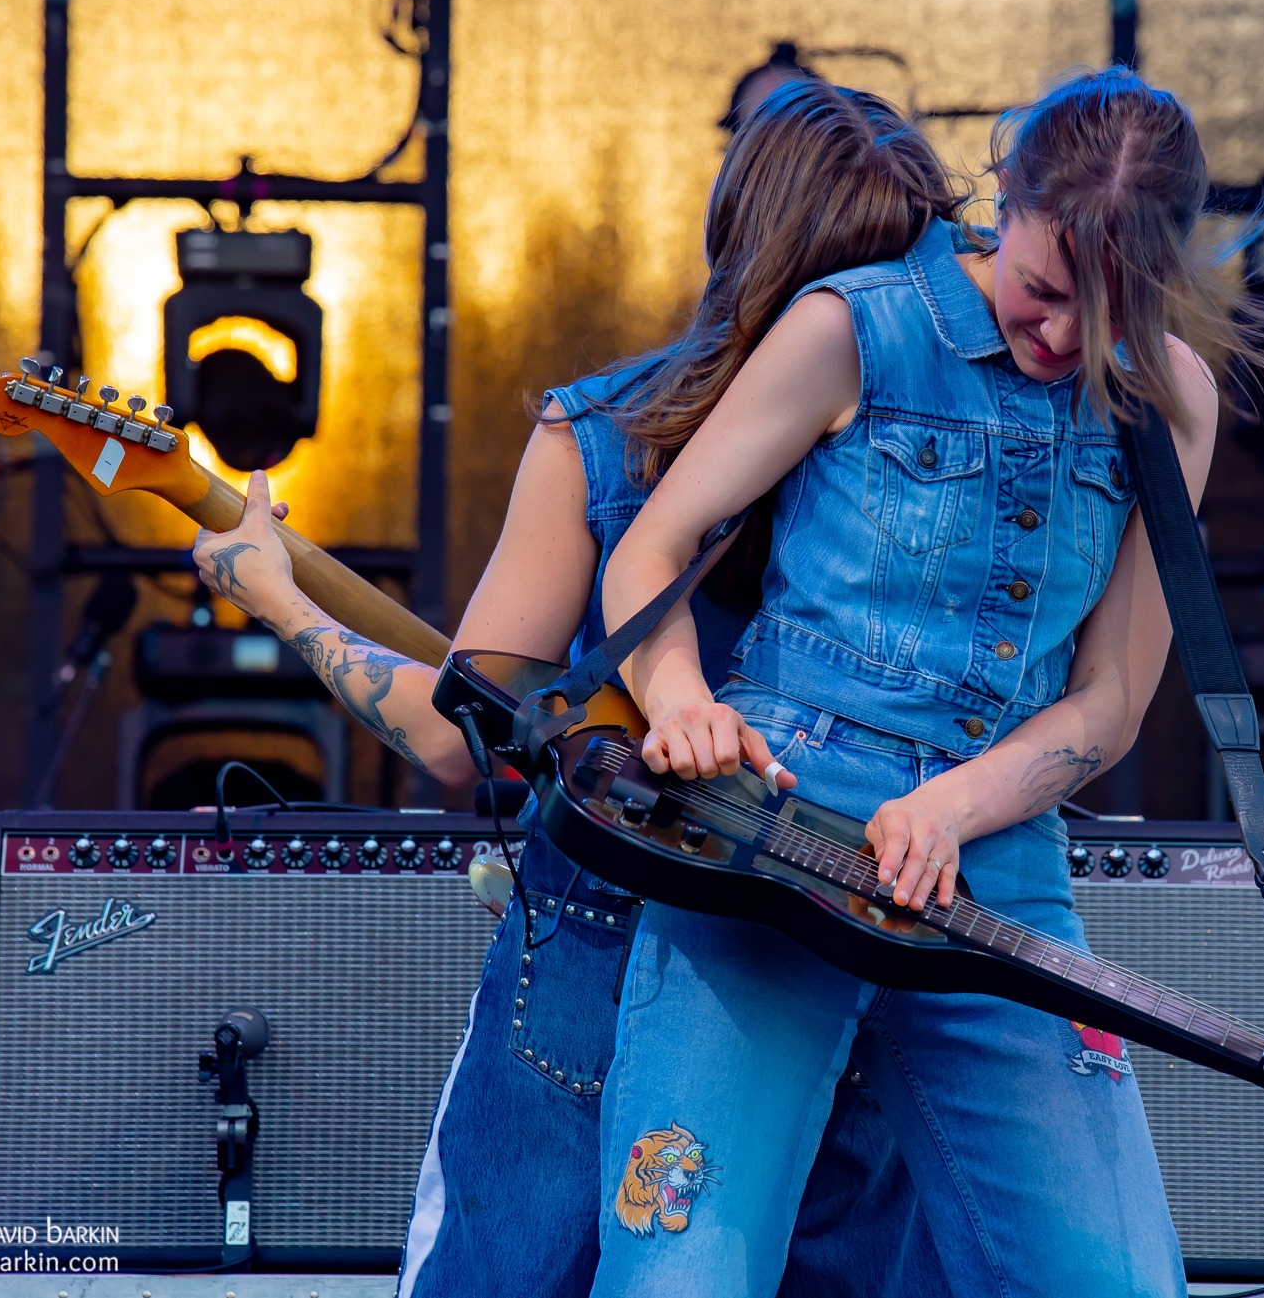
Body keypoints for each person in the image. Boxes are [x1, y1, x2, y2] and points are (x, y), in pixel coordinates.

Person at [190, 79, 966, 1298]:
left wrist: (279, 599)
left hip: (605, 945)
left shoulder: (607, 431)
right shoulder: (954, 465)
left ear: (737, 238)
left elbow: (454, 741)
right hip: (850, 936)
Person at [596, 67, 1264, 1297]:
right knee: (680, 1273)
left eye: (1110, 311)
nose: (1065, 338)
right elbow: (649, 552)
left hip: (996, 863)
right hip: (774, 820)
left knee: (1115, 1284)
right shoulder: (853, 326)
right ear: (1003, 196)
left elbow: (1111, 703)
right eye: (1042, 289)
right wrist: (683, 703)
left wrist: (954, 808)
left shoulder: (1169, 397)